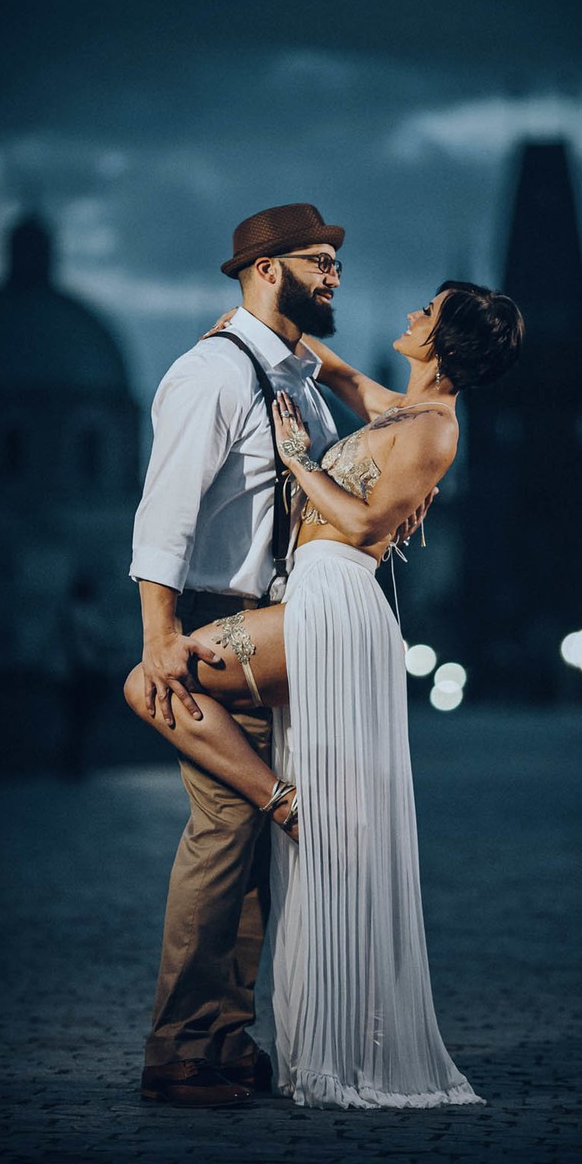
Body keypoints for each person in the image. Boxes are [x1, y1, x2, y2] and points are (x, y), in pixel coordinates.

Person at [126, 278, 524, 1108]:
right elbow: (338, 375)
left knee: (149, 680)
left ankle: (284, 800)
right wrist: (247, 334)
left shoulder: (436, 427)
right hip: (311, 596)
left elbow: (364, 526)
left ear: (445, 342)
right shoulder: (403, 412)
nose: (412, 315)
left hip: (333, 598)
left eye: (429, 312)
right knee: (179, 721)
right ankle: (278, 808)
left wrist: (297, 460)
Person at [129, 203, 353, 1108]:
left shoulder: (294, 378)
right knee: (225, 826)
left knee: (255, 841)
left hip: (278, 635)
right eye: (317, 260)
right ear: (266, 269)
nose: (335, 273)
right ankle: (179, 1043)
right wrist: (159, 645)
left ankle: (223, 1034)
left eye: (336, 261)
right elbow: (165, 519)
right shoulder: (213, 374)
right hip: (217, 628)